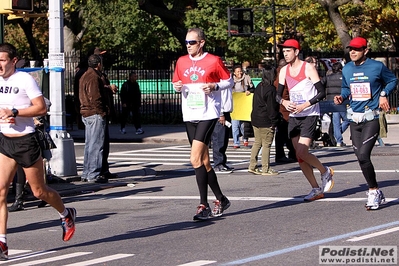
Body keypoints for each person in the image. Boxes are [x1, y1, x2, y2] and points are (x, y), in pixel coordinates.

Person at [0, 43, 76, 260]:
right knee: (0, 191)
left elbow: (41, 108)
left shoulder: (24, 79)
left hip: (26, 142)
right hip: (5, 141)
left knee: (38, 192)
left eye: (3, 60)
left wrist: (16, 112)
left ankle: (66, 213)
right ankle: (2, 242)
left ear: (14, 61)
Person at [172, 28, 233, 220]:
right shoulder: (181, 61)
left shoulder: (213, 60)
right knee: (204, 162)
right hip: (189, 113)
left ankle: (203, 205)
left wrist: (215, 86)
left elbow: (228, 80)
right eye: (186, 42)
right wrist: (177, 86)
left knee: (194, 159)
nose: (188, 46)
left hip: (208, 113)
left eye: (192, 42)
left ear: (201, 43)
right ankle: (221, 199)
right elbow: (176, 82)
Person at [334, 37, 398, 210]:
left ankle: (373, 190)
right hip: (354, 118)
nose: (353, 52)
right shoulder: (347, 68)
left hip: (372, 117)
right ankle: (375, 190)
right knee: (360, 158)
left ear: (366, 50)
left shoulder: (376, 67)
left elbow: (392, 80)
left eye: (357, 49)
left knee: (363, 155)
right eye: (351, 49)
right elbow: (346, 88)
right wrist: (342, 96)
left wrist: (384, 93)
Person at [276, 39, 334, 201]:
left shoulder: (308, 67)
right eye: (284, 51)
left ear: (296, 51)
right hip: (294, 116)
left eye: (288, 51)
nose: (285, 54)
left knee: (302, 151)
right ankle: (316, 189)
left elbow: (321, 93)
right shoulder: (283, 70)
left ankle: (325, 171)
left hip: (309, 114)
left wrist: (305, 105)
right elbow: (277, 95)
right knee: (299, 156)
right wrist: (284, 102)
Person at [79, 54, 110, 183]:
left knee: (90, 145)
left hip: (87, 113)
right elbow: (95, 97)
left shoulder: (85, 75)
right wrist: (102, 112)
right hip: (94, 113)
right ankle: (93, 174)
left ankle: (87, 172)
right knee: (97, 145)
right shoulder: (94, 77)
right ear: (98, 64)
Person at [248, 66, 280, 175]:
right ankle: (265, 168)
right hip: (266, 120)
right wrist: (274, 121)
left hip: (255, 117)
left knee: (257, 142)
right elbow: (272, 108)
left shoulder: (259, 87)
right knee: (266, 144)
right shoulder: (271, 89)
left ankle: (252, 166)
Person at [274, 59, 296, 164]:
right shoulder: (282, 76)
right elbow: (283, 93)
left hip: (281, 108)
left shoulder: (276, 75)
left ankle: (286, 153)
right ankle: (285, 154)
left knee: (283, 133)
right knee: (286, 133)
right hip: (284, 109)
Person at [325, 62, 350, 147]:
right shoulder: (344, 78)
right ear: (340, 69)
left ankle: (338, 139)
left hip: (331, 102)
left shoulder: (328, 78)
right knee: (347, 119)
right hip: (342, 101)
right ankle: (338, 136)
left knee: (336, 121)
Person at [211, 83, 234, 174]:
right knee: (219, 139)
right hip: (221, 113)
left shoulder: (226, 82)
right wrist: (221, 114)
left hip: (226, 112)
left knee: (224, 139)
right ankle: (218, 164)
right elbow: (218, 98)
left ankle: (222, 162)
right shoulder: (220, 83)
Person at [231, 65, 254, 148]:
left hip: (244, 104)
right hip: (234, 104)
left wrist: (249, 91)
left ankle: (245, 139)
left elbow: (253, 88)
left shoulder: (247, 78)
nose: (239, 73)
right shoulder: (231, 80)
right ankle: (236, 142)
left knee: (243, 125)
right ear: (234, 73)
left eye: (240, 71)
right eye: (237, 71)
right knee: (235, 124)